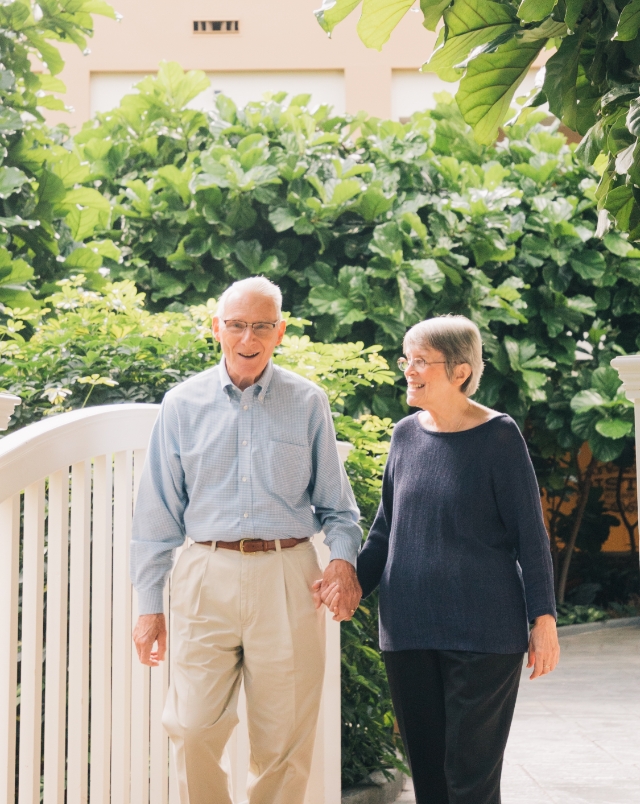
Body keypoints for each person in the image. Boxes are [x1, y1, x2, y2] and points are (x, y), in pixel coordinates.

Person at [129, 276, 362, 804]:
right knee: (190, 727)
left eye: (261, 325)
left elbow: (339, 510)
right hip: (205, 575)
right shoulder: (181, 405)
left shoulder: (307, 402)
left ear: (279, 331)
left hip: (288, 575)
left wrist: (343, 562)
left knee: (283, 743)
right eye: (236, 325)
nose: (247, 338)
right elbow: (155, 520)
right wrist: (148, 606)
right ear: (217, 329)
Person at [321, 314, 559, 804]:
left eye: (422, 361)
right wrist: (350, 583)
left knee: (469, 780)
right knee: (429, 779)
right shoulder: (406, 435)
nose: (408, 369)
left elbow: (530, 537)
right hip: (408, 632)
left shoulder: (499, 437)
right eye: (406, 359)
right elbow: (386, 530)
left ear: (461, 372)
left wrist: (544, 618)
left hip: (485, 635)